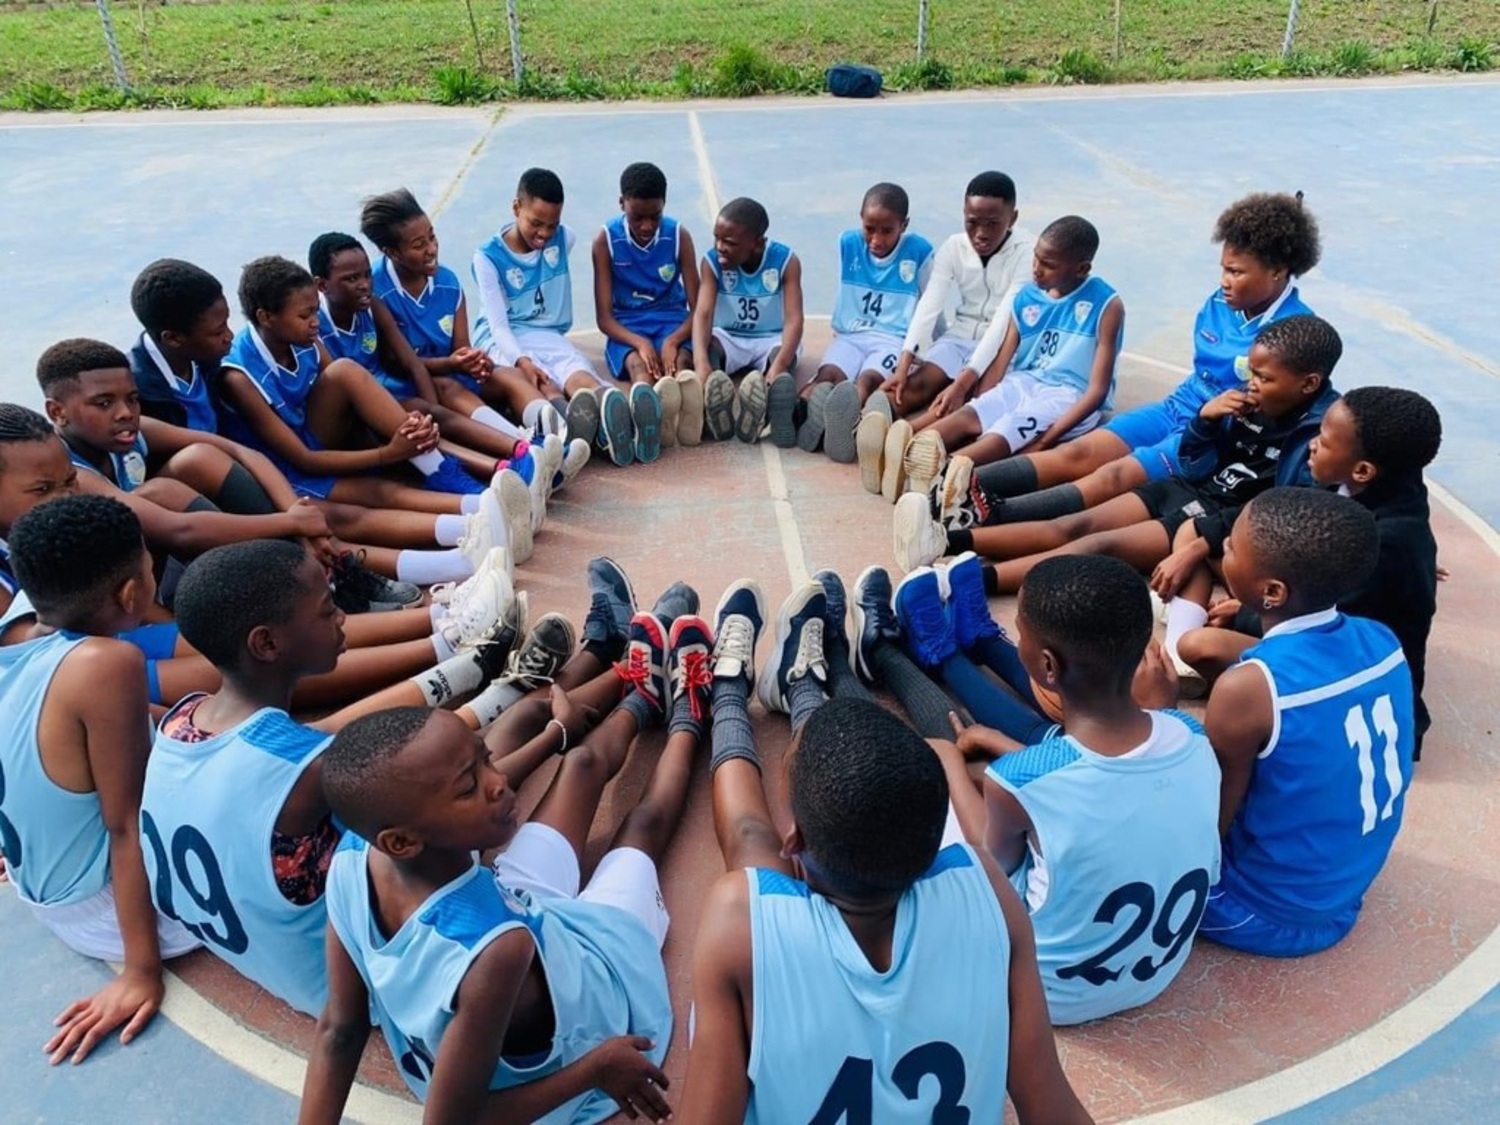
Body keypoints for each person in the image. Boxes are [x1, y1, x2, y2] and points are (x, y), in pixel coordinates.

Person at [677, 580, 1094, 1121]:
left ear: (796, 844)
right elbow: (1049, 1104)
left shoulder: (738, 916)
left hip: (785, 907)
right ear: (934, 849)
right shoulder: (985, 885)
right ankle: (797, 685)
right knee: (792, 821)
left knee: (750, 845)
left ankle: (730, 690)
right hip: (873, 869)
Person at [299, 605, 714, 1124]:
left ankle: (642, 695)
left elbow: (340, 1029)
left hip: (527, 916)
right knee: (640, 833)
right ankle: (692, 715)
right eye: (470, 788)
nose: (497, 784)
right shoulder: (494, 950)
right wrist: (593, 1070)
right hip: (594, 1005)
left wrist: (553, 736)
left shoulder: (357, 859)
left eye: (484, 759)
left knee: (582, 763)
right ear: (402, 841)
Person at [139, 538, 534, 1015]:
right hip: (345, 990)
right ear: (266, 643)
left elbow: (302, 749)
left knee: (344, 757)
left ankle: (480, 673)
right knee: (441, 784)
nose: (342, 618)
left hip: (253, 954)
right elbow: (397, 772)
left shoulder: (182, 719)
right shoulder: (305, 769)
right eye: (327, 611)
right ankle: (525, 699)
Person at [913, 555, 1221, 1024]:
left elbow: (994, 872)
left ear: (1047, 665)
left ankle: (908, 661)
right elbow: (1100, 778)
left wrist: (952, 764)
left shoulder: (1018, 779)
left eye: (1017, 633)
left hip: (1049, 994)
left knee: (943, 803)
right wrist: (1009, 752)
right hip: (1156, 974)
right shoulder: (1193, 736)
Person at [127, 257, 537, 579]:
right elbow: (287, 458)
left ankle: (480, 500)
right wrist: (387, 453)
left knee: (368, 403)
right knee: (345, 513)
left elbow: (333, 383)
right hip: (251, 477)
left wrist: (397, 443)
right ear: (173, 339)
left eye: (228, 324)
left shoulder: (205, 355)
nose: (228, 335)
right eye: (218, 330)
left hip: (275, 455)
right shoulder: (160, 390)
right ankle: (468, 541)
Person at [894, 315, 1342, 592]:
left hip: (1215, 519)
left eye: (1265, 378)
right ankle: (943, 541)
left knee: (1095, 545)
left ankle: (962, 581)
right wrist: (1207, 421)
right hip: (1189, 489)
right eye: (1253, 374)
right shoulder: (1250, 402)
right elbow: (1194, 462)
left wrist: (1203, 539)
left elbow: (1273, 513)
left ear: (1307, 384)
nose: (1251, 385)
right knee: (1074, 522)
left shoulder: (1318, 440)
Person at [953, 191, 1320, 530]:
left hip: (1214, 436)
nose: (1224, 281)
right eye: (1224, 268)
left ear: (1277, 271)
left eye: (1236, 272)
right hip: (1180, 405)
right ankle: (952, 481)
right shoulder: (1220, 302)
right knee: (1078, 452)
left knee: (1113, 477)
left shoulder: (1296, 334)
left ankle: (990, 516)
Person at [0, 495, 198, 1064]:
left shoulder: (21, 639)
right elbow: (125, 826)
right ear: (133, 593)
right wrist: (141, 971)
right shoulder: (106, 664)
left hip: (49, 885)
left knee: (199, 725)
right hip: (109, 911)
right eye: (147, 562)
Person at [1200, 487, 1414, 956]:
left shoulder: (1249, 688)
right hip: (1344, 894)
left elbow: (1208, 825)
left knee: (1131, 791)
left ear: (1272, 592)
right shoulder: (1382, 639)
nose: (1223, 549)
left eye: (1232, 546)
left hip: (1261, 913)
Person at [1173, 386, 1442, 757]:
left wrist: (1247, 615)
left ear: (1363, 469)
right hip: (1322, 621)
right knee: (1203, 540)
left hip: (1354, 674)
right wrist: (1206, 546)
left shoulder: (1383, 542)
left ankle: (1270, 703)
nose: (1312, 444)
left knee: (1199, 646)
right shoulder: (1373, 487)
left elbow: (1330, 619)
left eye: (1325, 441)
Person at [218, 254, 507, 504]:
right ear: (266, 317)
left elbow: (346, 388)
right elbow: (304, 458)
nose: (315, 322)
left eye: (316, 312)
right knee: (380, 498)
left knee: (392, 402)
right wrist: (386, 454)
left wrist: (406, 430)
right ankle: (470, 491)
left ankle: (487, 468)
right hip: (292, 468)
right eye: (305, 315)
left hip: (321, 434)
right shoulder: (239, 376)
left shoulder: (301, 336)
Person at [313, 230, 587, 487]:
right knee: (417, 423)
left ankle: (527, 449)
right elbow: (343, 383)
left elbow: (411, 363)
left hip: (387, 395)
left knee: (433, 409)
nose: (363, 285)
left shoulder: (373, 305)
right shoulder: (316, 326)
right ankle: (503, 470)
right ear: (322, 285)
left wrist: (435, 414)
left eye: (365, 275)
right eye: (351, 279)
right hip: (352, 417)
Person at [474, 168, 666, 470]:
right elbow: (498, 326)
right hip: (503, 338)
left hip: (548, 334)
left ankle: (616, 419)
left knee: (579, 374)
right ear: (516, 208)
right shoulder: (487, 257)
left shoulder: (564, 239)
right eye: (536, 223)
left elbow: (556, 236)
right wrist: (523, 361)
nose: (544, 234)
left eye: (553, 224)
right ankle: (571, 427)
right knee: (543, 384)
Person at [857, 171, 1032, 500]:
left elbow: (1003, 322)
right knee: (921, 381)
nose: (980, 233)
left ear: (1014, 217)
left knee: (971, 400)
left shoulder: (1027, 252)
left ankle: (908, 440)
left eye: (992, 224)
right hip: (961, 332)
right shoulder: (953, 247)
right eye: (971, 221)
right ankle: (870, 424)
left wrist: (963, 381)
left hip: (1006, 345)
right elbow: (929, 305)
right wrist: (904, 362)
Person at [912, 216, 1125, 480]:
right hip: (1023, 382)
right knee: (971, 414)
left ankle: (944, 474)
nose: (1036, 269)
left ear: (1081, 269)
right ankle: (910, 449)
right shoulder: (1026, 298)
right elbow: (1002, 362)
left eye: (1048, 265)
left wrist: (1047, 440)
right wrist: (983, 401)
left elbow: (1097, 392)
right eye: (1036, 258)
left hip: (1068, 396)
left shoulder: (1106, 305)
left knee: (1004, 431)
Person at [360, 189, 574, 447]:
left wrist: (473, 360)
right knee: (450, 389)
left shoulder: (448, 282)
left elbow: (460, 346)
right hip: (406, 383)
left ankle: (558, 436)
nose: (431, 249)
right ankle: (521, 446)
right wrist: (452, 364)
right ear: (393, 252)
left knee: (511, 375)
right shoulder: (376, 289)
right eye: (419, 245)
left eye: (432, 237)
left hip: (449, 371)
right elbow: (395, 363)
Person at [806, 182, 934, 462]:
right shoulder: (848, 243)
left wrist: (928, 348)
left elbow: (930, 304)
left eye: (887, 231)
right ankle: (809, 415)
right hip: (851, 335)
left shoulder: (919, 252)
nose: (876, 239)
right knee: (829, 373)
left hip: (892, 340)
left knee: (868, 378)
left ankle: (846, 418)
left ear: (904, 225)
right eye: (869, 229)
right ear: (860, 221)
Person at [591, 161, 700, 448]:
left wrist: (675, 340)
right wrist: (639, 342)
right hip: (626, 325)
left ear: (665, 204)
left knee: (680, 364)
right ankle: (646, 426)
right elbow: (604, 318)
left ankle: (688, 413)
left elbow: (699, 307)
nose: (647, 226)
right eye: (637, 217)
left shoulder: (678, 236)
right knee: (640, 366)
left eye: (656, 216)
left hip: (672, 319)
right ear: (621, 203)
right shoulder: (606, 240)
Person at [691, 196, 805, 447]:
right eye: (716, 238)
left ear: (757, 244)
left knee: (783, 359)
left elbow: (794, 319)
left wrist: (780, 364)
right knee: (706, 349)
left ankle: (771, 402)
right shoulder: (712, 262)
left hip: (771, 337)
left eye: (729, 242)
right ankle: (713, 405)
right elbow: (703, 314)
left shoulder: (786, 261)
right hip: (730, 337)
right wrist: (701, 363)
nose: (720, 246)